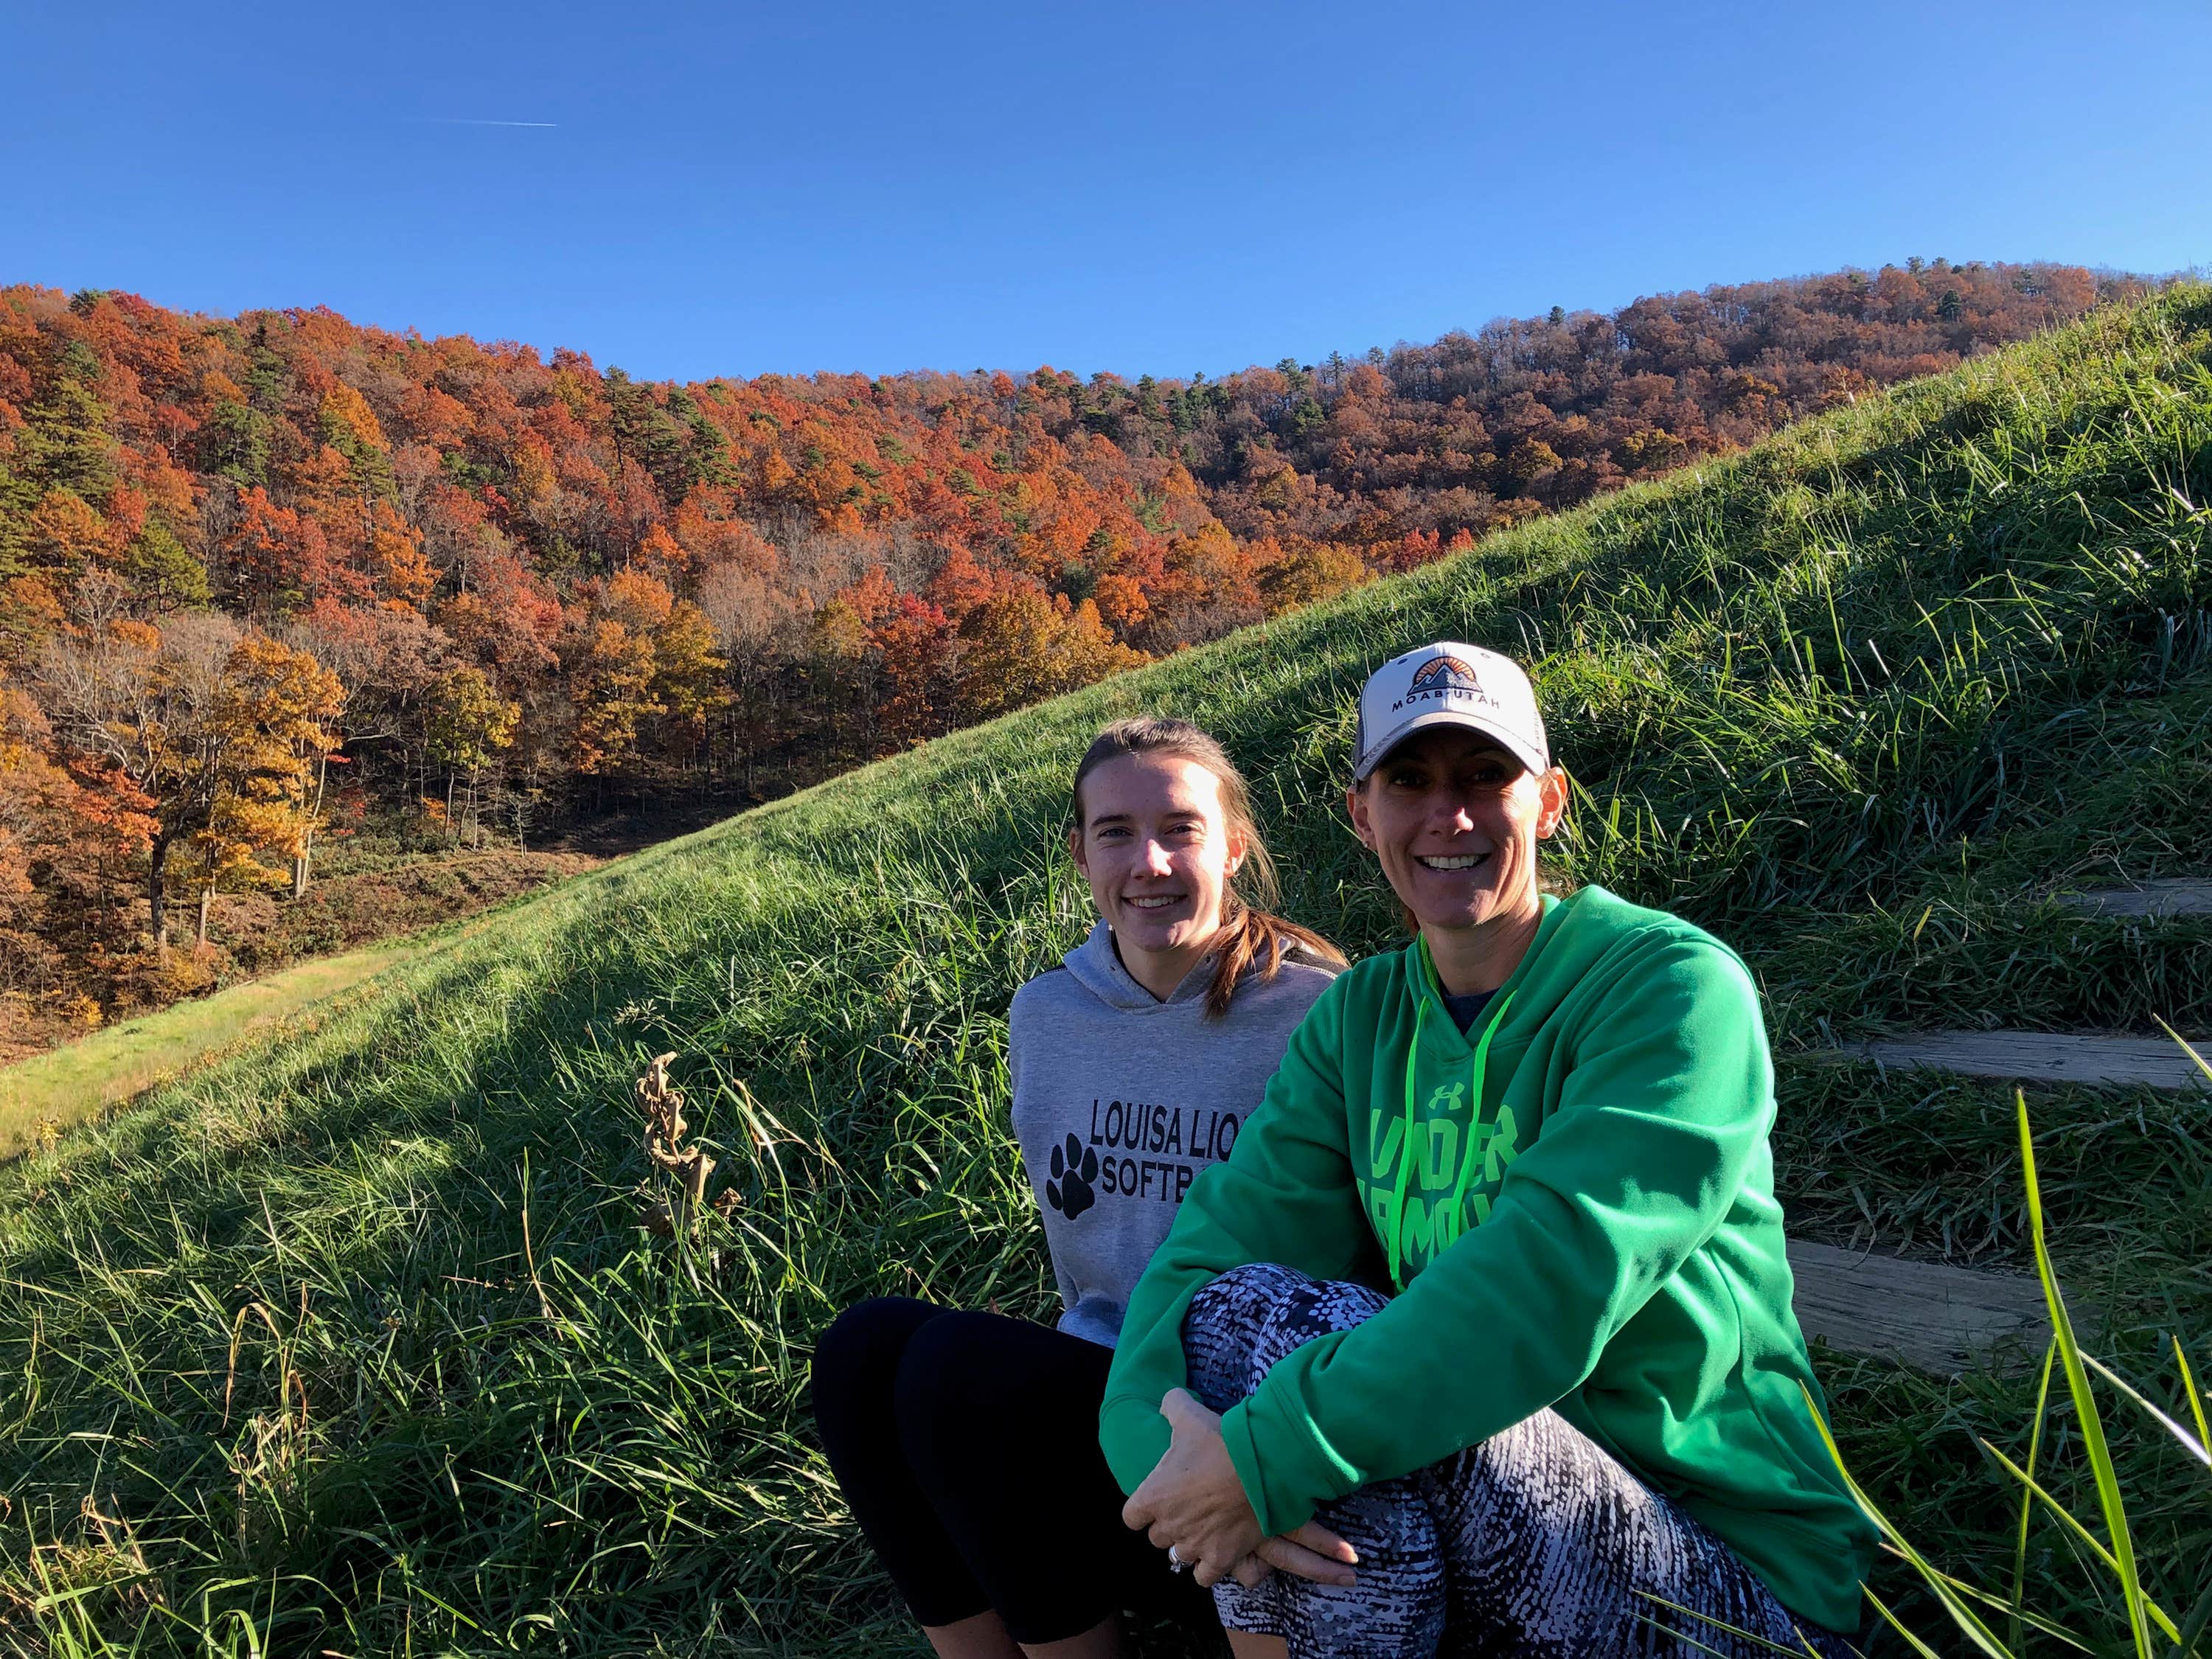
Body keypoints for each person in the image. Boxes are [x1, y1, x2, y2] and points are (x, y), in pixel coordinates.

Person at [1099, 643, 1878, 1658]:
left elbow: (1545, 1283)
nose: (1448, 815)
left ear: (1549, 800)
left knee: (1300, 1359)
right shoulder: (1362, 1018)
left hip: (1725, 1579)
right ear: (1361, 813)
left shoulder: (1670, 988)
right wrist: (1175, 1467)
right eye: (1411, 780)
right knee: (1245, 1313)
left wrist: (1262, 1456)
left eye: (1486, 775)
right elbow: (1208, 1258)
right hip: (1493, 1513)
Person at [811, 717, 1350, 1658]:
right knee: (862, 1352)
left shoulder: (1317, 1012)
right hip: (1106, 1421)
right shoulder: (1047, 1014)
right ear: (1079, 852)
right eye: (1115, 832)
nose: (1149, 861)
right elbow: (1084, 1276)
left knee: (957, 1373)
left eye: (1181, 828)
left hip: (1240, 1445)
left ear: (1233, 843)